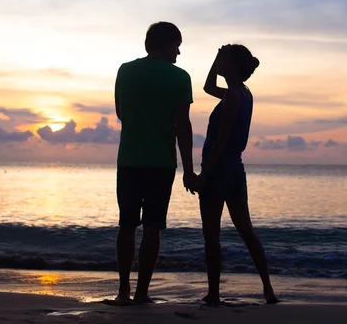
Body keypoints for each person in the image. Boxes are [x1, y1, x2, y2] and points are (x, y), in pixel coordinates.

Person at [114, 21, 197, 304]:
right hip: (161, 163)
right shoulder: (179, 77)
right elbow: (182, 125)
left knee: (126, 225)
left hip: (129, 159)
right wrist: (189, 169)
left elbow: (121, 113)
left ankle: (123, 290)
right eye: (177, 46)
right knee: (152, 226)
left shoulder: (125, 71)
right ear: (166, 44)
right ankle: (142, 293)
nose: (178, 53)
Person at [193, 44, 279, 305]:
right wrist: (216, 57)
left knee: (212, 235)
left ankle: (214, 294)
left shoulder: (233, 96)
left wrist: (203, 174)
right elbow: (208, 88)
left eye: (223, 60)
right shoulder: (242, 93)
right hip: (235, 170)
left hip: (219, 169)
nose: (219, 64)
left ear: (232, 65)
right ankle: (268, 288)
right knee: (246, 231)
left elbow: (221, 140)